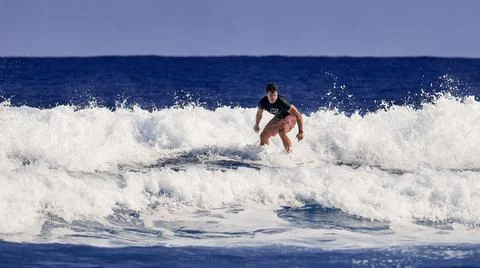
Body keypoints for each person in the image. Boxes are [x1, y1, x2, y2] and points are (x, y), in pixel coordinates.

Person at [253, 83, 304, 152]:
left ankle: (290, 154)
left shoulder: (282, 102)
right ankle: (264, 155)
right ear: (267, 95)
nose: (273, 97)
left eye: (274, 95)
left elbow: (298, 115)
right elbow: (259, 113)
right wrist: (256, 124)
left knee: (282, 131)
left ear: (277, 94)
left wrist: (300, 132)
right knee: (263, 136)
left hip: (291, 116)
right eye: (271, 95)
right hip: (280, 116)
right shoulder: (263, 102)